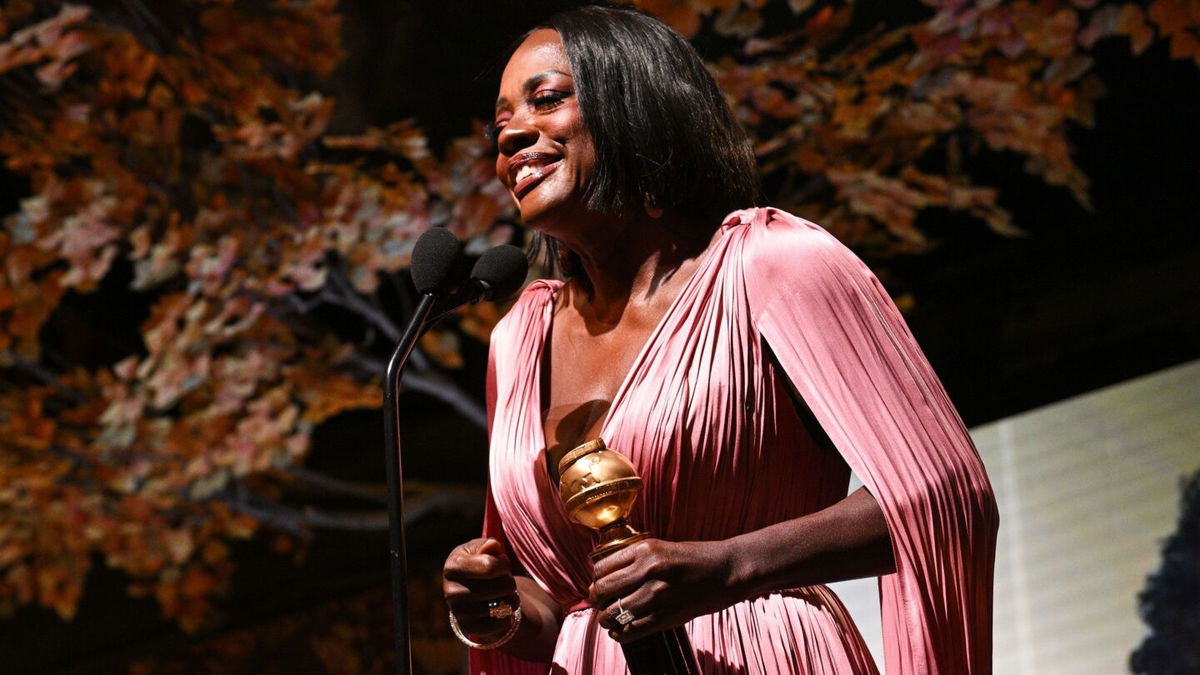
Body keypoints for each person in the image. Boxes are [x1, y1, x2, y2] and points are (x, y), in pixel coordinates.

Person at [442, 6, 998, 674]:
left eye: (547, 99)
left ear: (633, 103)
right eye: (500, 124)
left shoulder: (773, 263)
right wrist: (498, 608)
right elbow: (564, 609)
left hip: (765, 653)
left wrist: (728, 565)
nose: (511, 138)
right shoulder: (517, 341)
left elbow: (942, 492)